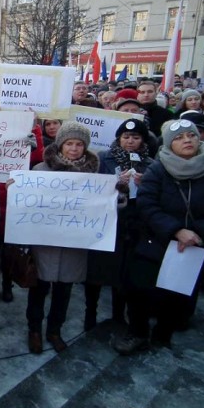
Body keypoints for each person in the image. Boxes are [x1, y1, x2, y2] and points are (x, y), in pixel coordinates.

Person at [114, 120, 204, 355]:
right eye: (179, 137)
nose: (186, 140)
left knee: (176, 295)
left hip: (194, 245)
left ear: (199, 138)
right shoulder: (158, 169)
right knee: (139, 290)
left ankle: (163, 334)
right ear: (168, 144)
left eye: (191, 135)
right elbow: (147, 203)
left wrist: (199, 233)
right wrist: (176, 230)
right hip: (155, 241)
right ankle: (138, 332)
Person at [22, 122, 99, 354]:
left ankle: (55, 330)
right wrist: (17, 189)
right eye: (69, 143)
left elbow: (102, 205)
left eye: (79, 144)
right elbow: (27, 202)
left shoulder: (94, 174)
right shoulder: (40, 171)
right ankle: (34, 329)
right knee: (39, 288)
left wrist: (120, 193)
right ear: (60, 144)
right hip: (45, 243)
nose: (74, 149)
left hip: (74, 244)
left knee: (64, 291)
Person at [85, 119, 154, 330]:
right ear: (118, 139)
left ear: (142, 140)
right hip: (105, 221)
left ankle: (117, 313)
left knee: (123, 273)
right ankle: (90, 312)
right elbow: (92, 187)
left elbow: (154, 196)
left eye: (135, 137)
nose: (130, 141)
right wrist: (114, 184)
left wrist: (144, 186)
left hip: (132, 226)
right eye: (126, 137)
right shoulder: (103, 157)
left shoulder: (150, 164)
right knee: (97, 270)